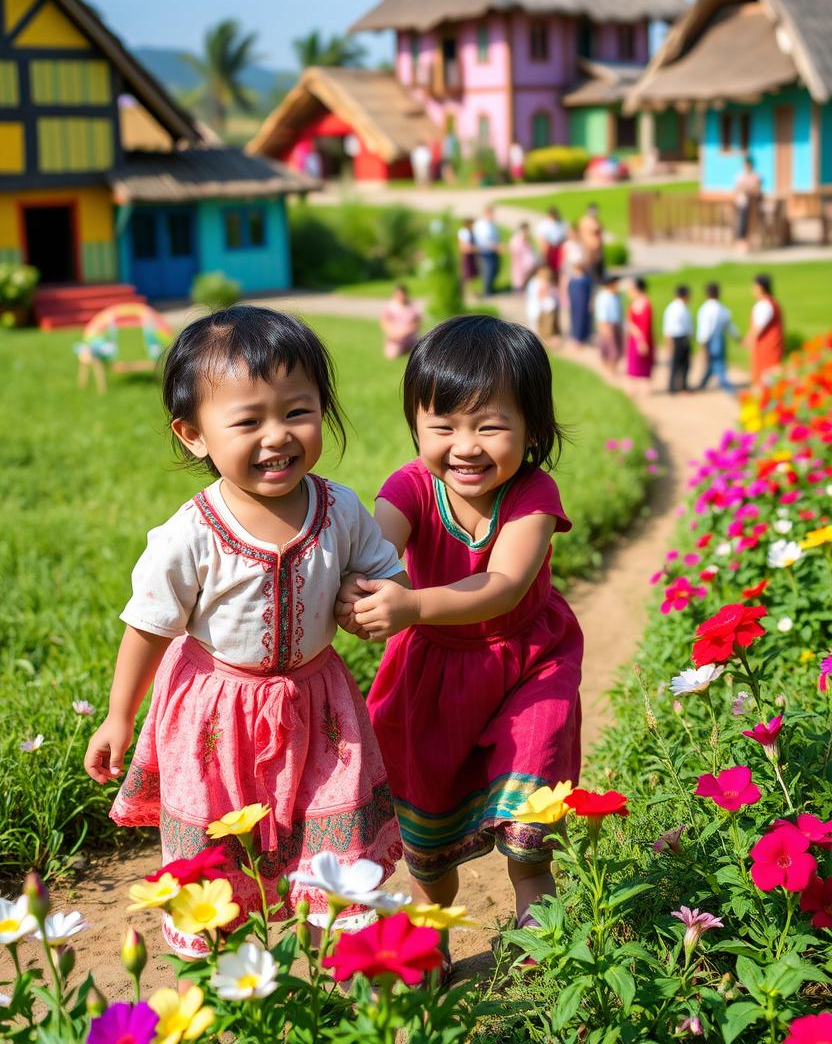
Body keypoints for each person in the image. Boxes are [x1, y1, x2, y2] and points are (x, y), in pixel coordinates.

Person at [84, 307, 405, 956]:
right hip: (214, 716)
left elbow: (382, 572)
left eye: (296, 411)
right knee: (215, 848)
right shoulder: (191, 534)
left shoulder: (339, 508)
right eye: (247, 420)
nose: (276, 436)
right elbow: (147, 627)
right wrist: (119, 715)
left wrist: (370, 599)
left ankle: (336, 958)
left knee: (331, 834)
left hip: (319, 709)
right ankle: (215, 967)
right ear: (194, 434)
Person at [336, 316, 582, 974]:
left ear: (533, 427)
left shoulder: (532, 494)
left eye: (490, 425)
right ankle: (431, 948)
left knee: (530, 829)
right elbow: (373, 550)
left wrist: (411, 604)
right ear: (417, 426)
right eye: (443, 427)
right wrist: (350, 588)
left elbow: (503, 586)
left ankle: (542, 952)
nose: (465, 447)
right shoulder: (411, 487)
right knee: (428, 839)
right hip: (431, 675)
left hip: (527, 663)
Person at [695, 281, 739, 392]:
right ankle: (704, 382)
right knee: (716, 362)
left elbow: (704, 329)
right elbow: (729, 326)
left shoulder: (705, 309)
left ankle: (725, 386)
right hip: (720, 338)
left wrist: (703, 345)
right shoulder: (722, 309)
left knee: (716, 363)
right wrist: (737, 337)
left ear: (706, 295)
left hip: (710, 339)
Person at [748, 273, 785, 385]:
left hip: (767, 348)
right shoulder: (770, 303)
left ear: (760, 288)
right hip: (770, 347)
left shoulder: (765, 305)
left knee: (766, 378)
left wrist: (748, 339)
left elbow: (758, 327)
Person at [662, 284, 693, 393]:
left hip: (682, 337)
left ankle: (681, 385)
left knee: (684, 363)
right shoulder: (676, 308)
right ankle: (674, 386)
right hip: (678, 338)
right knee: (678, 363)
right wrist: (669, 343)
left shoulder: (680, 307)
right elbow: (669, 327)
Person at [625, 277, 654, 388]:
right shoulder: (634, 303)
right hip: (633, 337)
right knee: (633, 362)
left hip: (642, 337)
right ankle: (632, 387)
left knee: (644, 362)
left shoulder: (645, 303)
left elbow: (645, 324)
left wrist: (642, 340)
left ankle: (646, 387)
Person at [380, 284, 422, 359]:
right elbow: (384, 322)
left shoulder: (412, 306)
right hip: (394, 337)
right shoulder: (391, 306)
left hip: (410, 337)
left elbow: (417, 324)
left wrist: (404, 332)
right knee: (392, 354)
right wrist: (392, 332)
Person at [594, 275, 624, 374]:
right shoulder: (604, 297)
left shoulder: (616, 296)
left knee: (618, 347)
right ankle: (608, 369)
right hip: (607, 324)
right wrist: (604, 328)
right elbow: (601, 315)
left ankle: (613, 368)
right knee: (609, 348)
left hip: (616, 323)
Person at [525, 263, 560, 345]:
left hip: (536, 308)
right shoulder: (538, 283)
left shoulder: (535, 281)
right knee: (536, 327)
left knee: (536, 326)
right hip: (536, 309)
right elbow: (541, 295)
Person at [472, 205, 502, 296]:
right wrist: (493, 246)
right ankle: (487, 291)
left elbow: (496, 236)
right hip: (484, 252)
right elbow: (481, 241)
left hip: (493, 251)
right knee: (488, 271)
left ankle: (491, 288)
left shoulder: (491, 224)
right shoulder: (481, 225)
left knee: (495, 270)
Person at [734, 156, 762, 251]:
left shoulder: (755, 176)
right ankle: (741, 242)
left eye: (749, 164)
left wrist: (748, 189)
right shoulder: (740, 176)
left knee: (753, 223)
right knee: (742, 221)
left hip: (753, 204)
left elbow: (757, 189)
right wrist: (746, 188)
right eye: (746, 164)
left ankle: (751, 241)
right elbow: (737, 189)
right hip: (742, 203)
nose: (747, 166)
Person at [567, 250, 593, 346]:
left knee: (582, 319)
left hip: (582, 303)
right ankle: (576, 336)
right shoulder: (574, 279)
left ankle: (580, 337)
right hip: (576, 303)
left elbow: (590, 292)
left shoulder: (585, 280)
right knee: (576, 318)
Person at [534, 206, 567, 278]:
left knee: (559, 266)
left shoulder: (561, 223)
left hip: (559, 247)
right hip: (549, 248)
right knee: (548, 266)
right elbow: (541, 239)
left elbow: (565, 235)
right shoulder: (544, 225)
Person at [508, 222, 539, 291]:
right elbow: (515, 253)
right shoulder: (516, 240)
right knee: (520, 282)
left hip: (528, 267)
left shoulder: (527, 239)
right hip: (520, 266)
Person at [578, 203, 604, 283]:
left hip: (597, 249)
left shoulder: (597, 220)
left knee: (598, 269)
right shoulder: (585, 221)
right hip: (589, 248)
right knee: (589, 269)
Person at [457, 217, 479, 291]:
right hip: (466, 256)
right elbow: (464, 247)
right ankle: (465, 291)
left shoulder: (471, 232)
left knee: (471, 275)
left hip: (471, 256)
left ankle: (472, 291)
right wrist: (474, 249)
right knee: (466, 274)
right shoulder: (464, 233)